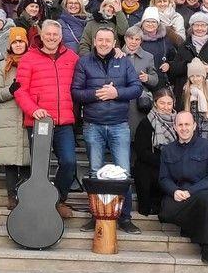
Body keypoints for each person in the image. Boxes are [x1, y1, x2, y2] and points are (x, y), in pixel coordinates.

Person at [72, 27, 144, 234]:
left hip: (119, 125)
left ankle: (125, 217)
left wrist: (116, 93)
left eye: (108, 40)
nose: (104, 43)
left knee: (123, 173)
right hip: (93, 124)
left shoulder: (124, 62)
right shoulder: (84, 61)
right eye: (100, 40)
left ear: (114, 43)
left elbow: (137, 88)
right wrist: (97, 94)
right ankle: (96, 215)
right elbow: (75, 92)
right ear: (94, 41)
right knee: (95, 172)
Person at [13, 20, 80, 219]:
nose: (52, 38)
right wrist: (33, 110)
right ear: (41, 36)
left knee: (69, 162)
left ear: (61, 37)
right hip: (39, 121)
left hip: (64, 121)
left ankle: (58, 199)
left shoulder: (72, 57)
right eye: (48, 34)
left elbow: (91, 68)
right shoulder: (29, 58)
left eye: (55, 35)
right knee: (39, 168)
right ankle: (35, 204)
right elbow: (19, 90)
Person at [158, 111, 208, 265]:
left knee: (206, 199)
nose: (184, 128)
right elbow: (163, 178)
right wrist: (174, 191)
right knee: (165, 211)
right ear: (175, 127)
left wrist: (191, 192)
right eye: (180, 125)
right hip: (178, 197)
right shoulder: (167, 150)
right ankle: (192, 227)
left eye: (187, 124)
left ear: (194, 126)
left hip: (202, 194)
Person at [0, 28, 30, 210]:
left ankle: (27, 193)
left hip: (28, 115)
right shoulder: (1, 66)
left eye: (21, 41)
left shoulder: (32, 62)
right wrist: (11, 90)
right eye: (15, 42)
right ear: (10, 45)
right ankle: (12, 195)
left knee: (29, 158)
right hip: (8, 118)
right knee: (11, 161)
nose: (19, 45)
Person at [167, 12, 208, 102]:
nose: (200, 28)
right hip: (186, 95)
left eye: (203, 25)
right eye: (196, 25)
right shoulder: (184, 46)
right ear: (192, 27)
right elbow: (174, 70)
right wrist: (188, 66)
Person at [132, 89, 176, 216]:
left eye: (169, 103)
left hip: (173, 164)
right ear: (155, 103)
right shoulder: (147, 122)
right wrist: (163, 161)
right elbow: (141, 151)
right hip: (152, 164)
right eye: (162, 103)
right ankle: (148, 207)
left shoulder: (179, 122)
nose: (166, 107)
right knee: (144, 170)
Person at [122, 25, 160, 132]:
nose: (133, 42)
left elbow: (155, 80)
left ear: (141, 41)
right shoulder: (117, 55)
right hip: (122, 100)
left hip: (140, 102)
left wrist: (147, 78)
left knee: (138, 133)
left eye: (137, 39)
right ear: (125, 38)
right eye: (131, 38)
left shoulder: (148, 57)